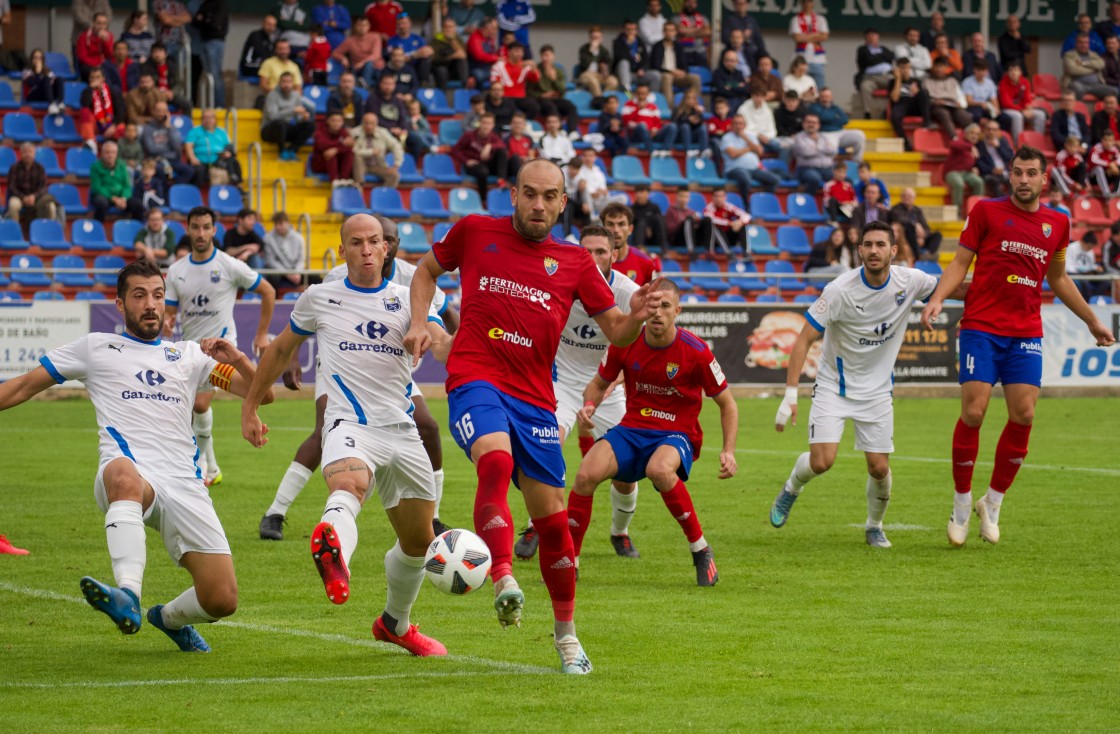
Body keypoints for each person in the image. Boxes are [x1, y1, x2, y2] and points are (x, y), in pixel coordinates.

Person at [403, 158, 663, 674]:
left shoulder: (575, 262)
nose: (538, 204)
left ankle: (566, 636)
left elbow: (614, 330)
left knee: (554, 527)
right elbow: (426, 271)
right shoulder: (476, 231)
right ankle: (502, 575)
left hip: (536, 397)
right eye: (529, 194)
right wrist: (419, 321)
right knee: (494, 462)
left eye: (549, 196)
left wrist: (633, 319)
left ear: (564, 203)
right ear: (513, 195)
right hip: (476, 374)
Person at [0, 259, 274, 651]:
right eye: (140, 295)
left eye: (158, 296)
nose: (150, 304)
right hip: (127, 472)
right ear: (120, 303)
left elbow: (263, 394)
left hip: (183, 482)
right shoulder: (96, 347)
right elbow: (23, 387)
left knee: (221, 599)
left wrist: (240, 359)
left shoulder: (188, 356)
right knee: (124, 476)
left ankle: (167, 619)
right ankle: (127, 594)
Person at [243, 213, 452, 657]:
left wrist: (442, 338)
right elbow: (282, 349)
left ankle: (395, 623)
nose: (367, 250)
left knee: (417, 542)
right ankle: (335, 556)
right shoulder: (320, 297)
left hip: (401, 427)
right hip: (349, 423)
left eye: (374, 241)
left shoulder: (406, 297)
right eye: (356, 243)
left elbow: (438, 335)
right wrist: (250, 404)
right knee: (348, 483)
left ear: (386, 247)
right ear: (343, 251)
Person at [920, 146, 1115, 547]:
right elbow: (960, 263)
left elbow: (1058, 278)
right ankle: (960, 503)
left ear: (1045, 179)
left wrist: (1093, 320)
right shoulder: (985, 211)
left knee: (1024, 414)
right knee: (973, 412)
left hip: (1025, 330)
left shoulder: (1058, 222)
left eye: (1031, 173)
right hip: (980, 326)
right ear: (1009, 175)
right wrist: (939, 296)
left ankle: (991, 503)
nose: (1024, 179)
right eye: (1017, 172)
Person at [772, 220, 943, 548]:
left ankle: (874, 526)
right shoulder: (839, 290)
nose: (874, 251)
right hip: (834, 386)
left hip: (877, 392)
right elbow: (803, 340)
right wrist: (790, 395)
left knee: (879, 468)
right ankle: (791, 489)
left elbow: (946, 287)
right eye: (868, 245)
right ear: (860, 250)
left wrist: (973, 301)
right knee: (822, 461)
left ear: (893, 250)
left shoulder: (911, 281)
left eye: (881, 245)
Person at [571, 276, 735, 583]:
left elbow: (728, 405)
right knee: (585, 475)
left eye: (665, 306)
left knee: (659, 469)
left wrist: (728, 450)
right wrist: (590, 406)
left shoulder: (696, 351)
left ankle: (700, 550)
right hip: (633, 429)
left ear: (677, 311)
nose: (657, 312)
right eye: (652, 305)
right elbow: (597, 384)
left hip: (676, 434)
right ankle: (570, 563)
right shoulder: (626, 342)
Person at [514, 225, 643, 561]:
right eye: (587, 251)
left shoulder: (629, 293)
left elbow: (639, 349)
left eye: (602, 251)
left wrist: (610, 385)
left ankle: (620, 532)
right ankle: (535, 525)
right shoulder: (561, 281)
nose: (594, 258)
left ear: (614, 255)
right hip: (563, 384)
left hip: (609, 388)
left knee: (626, 473)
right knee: (547, 445)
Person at [164, 206, 276, 488]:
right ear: (187, 230)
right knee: (191, 409)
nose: (200, 233)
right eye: (195, 227)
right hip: (190, 351)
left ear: (214, 230)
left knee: (199, 403)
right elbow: (170, 313)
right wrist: (166, 323)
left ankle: (201, 466)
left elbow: (268, 291)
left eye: (206, 227)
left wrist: (262, 334)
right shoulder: (176, 271)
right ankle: (208, 466)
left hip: (223, 350)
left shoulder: (228, 265)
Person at [720, 113, 778, 206]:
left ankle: (764, 204)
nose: (739, 126)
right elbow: (733, 154)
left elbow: (760, 151)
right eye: (736, 123)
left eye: (741, 124)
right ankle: (746, 205)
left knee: (774, 179)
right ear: (731, 125)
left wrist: (745, 138)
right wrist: (749, 149)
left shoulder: (750, 136)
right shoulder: (727, 137)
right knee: (745, 178)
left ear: (745, 125)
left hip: (754, 169)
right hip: (735, 169)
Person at [451, 112, 509, 200]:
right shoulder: (469, 135)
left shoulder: (494, 137)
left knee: (501, 152)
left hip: (487, 164)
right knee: (483, 172)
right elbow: (455, 150)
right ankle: (483, 199)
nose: (486, 126)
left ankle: (501, 180)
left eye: (489, 123)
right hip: (474, 164)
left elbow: (503, 146)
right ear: (479, 123)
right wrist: (466, 160)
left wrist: (490, 146)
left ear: (492, 125)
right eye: (484, 123)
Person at [262, 72, 316, 161]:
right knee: (280, 124)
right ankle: (282, 151)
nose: (286, 85)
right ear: (279, 83)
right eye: (284, 82)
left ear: (293, 83)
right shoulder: (272, 95)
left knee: (310, 125)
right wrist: (292, 110)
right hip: (270, 130)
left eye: (289, 82)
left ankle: (292, 151)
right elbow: (272, 117)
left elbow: (297, 119)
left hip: (286, 129)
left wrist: (303, 118)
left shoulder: (296, 96)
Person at [602, 202, 658, 285]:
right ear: (603, 229)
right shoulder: (593, 263)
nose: (616, 230)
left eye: (621, 224)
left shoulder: (645, 263)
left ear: (630, 229)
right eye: (610, 224)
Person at [6, 142, 57, 229]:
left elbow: (43, 187)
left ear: (34, 153)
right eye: (25, 152)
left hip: (36, 198)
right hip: (19, 197)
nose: (28, 154)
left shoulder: (40, 168)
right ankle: (15, 232)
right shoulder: (14, 168)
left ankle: (48, 231)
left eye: (30, 152)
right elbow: (12, 187)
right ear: (21, 153)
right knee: (13, 205)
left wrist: (34, 197)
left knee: (51, 206)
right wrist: (23, 197)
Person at [90, 140, 144, 222]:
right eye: (107, 152)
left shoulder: (122, 165)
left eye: (113, 152)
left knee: (138, 205)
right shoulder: (95, 167)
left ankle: (135, 228)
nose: (110, 155)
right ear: (102, 153)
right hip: (104, 196)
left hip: (121, 197)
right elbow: (97, 187)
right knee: (101, 203)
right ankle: (98, 228)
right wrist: (114, 199)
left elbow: (127, 186)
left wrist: (123, 198)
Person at [184, 108, 239, 187]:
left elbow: (228, 146)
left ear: (215, 120)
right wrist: (192, 158)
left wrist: (227, 153)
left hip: (218, 160)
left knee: (234, 163)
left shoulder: (222, 132)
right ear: (202, 120)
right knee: (198, 170)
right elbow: (188, 145)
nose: (208, 120)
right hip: (201, 161)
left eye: (211, 117)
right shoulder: (195, 131)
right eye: (206, 118)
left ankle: (237, 187)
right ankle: (197, 193)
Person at [650, 21, 702, 102]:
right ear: (663, 32)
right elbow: (655, 66)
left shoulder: (678, 46)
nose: (668, 33)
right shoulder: (657, 46)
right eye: (666, 30)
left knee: (696, 78)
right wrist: (671, 72)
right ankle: (670, 108)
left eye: (671, 30)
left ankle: (694, 105)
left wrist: (683, 72)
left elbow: (684, 63)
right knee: (668, 77)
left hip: (678, 76)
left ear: (675, 32)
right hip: (663, 75)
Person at [622, 81, 679, 153]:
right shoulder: (629, 104)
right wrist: (638, 110)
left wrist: (655, 129)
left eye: (643, 94)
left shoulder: (653, 106)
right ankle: (651, 151)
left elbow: (658, 123)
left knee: (672, 126)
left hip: (652, 134)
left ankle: (665, 151)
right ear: (635, 93)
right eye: (639, 93)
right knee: (642, 125)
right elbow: (626, 121)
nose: (641, 96)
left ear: (647, 94)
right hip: (637, 134)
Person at [810, 87, 866, 158]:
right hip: (826, 133)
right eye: (823, 97)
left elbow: (845, 120)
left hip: (840, 132)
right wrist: (835, 116)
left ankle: (856, 162)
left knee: (860, 135)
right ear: (819, 97)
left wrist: (830, 118)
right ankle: (831, 167)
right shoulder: (814, 107)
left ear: (831, 97)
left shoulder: (835, 107)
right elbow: (824, 117)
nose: (825, 99)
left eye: (827, 97)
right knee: (832, 148)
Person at [572, 149, 626, 222]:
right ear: (582, 157)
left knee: (623, 198)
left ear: (595, 157)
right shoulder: (579, 170)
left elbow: (603, 187)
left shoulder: (598, 171)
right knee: (585, 189)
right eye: (585, 156)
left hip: (600, 200)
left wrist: (603, 191)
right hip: (587, 201)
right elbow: (579, 188)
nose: (588, 158)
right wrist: (592, 193)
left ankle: (612, 217)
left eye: (590, 156)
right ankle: (592, 216)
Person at [191, 0, 228, 107]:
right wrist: (206, 20)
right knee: (208, 76)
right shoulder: (204, 4)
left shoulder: (221, 4)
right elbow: (195, 23)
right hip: (204, 42)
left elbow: (216, 23)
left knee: (215, 75)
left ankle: (219, 105)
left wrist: (204, 19)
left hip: (215, 42)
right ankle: (210, 104)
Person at [997, 62, 1045, 144]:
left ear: (1020, 72)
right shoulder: (1003, 83)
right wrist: (1022, 110)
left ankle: (1038, 142)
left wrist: (1028, 107)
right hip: (1008, 110)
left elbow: (1027, 98)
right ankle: (1018, 143)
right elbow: (1006, 103)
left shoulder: (1025, 82)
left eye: (1016, 70)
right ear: (1007, 73)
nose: (1014, 73)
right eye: (1011, 71)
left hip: (1022, 109)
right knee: (1017, 116)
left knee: (1040, 114)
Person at [79, 67, 127, 149]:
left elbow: (121, 110)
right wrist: (91, 89)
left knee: (121, 128)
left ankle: (116, 152)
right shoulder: (86, 91)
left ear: (103, 78)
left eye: (98, 77)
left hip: (111, 124)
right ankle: (91, 143)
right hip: (95, 125)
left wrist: (114, 125)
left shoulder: (113, 91)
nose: (95, 80)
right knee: (85, 112)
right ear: (89, 79)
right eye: (92, 77)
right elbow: (85, 105)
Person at [491, 42, 540, 120]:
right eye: (517, 51)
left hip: (520, 97)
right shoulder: (498, 66)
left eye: (521, 51)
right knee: (510, 107)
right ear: (509, 52)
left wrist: (534, 68)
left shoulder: (525, 66)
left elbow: (536, 79)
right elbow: (494, 83)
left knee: (534, 106)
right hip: (505, 97)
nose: (520, 54)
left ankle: (525, 125)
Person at [351, 111, 402, 186]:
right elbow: (353, 151)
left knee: (395, 175)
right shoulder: (354, 133)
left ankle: (383, 195)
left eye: (371, 123)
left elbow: (396, 146)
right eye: (366, 123)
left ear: (376, 124)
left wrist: (396, 165)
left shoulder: (383, 132)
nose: (369, 126)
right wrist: (370, 152)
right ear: (362, 123)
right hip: (360, 166)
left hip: (378, 165)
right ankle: (359, 187)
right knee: (357, 157)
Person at [923, 57, 970, 139]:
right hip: (936, 106)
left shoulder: (952, 80)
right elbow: (924, 100)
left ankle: (972, 139)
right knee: (944, 114)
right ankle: (955, 138)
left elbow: (960, 97)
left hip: (952, 105)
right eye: (936, 66)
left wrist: (960, 104)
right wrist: (934, 101)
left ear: (946, 68)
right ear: (933, 67)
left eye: (941, 66)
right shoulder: (927, 81)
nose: (938, 69)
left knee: (965, 116)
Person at [330, 16, 383, 89]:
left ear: (369, 26)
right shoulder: (350, 40)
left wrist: (362, 63)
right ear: (355, 27)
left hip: (376, 69)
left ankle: (364, 88)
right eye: (359, 25)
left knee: (369, 64)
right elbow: (335, 53)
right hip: (357, 70)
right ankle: (358, 87)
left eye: (364, 25)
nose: (362, 28)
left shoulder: (375, 37)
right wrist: (342, 58)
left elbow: (376, 55)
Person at [889, 187, 941, 258]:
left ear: (914, 198)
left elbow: (926, 227)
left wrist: (923, 237)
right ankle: (918, 255)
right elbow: (901, 220)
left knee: (937, 235)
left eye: (909, 196)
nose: (907, 198)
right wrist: (915, 224)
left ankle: (927, 254)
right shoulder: (895, 209)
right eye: (905, 196)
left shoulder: (917, 210)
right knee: (910, 228)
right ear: (901, 197)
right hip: (906, 238)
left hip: (920, 239)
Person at [791, 113, 836, 196]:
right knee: (814, 179)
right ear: (803, 124)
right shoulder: (799, 137)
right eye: (808, 122)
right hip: (807, 169)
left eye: (814, 122)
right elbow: (806, 152)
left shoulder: (823, 137)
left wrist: (815, 148)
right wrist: (823, 149)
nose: (811, 125)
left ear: (818, 125)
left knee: (843, 178)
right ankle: (809, 201)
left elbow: (832, 150)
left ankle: (834, 204)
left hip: (827, 169)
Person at [943, 124, 985, 212]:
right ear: (965, 134)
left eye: (977, 134)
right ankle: (957, 212)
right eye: (972, 133)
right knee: (959, 183)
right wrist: (970, 147)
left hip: (966, 173)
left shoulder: (975, 147)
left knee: (979, 182)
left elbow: (967, 162)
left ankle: (976, 211)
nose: (974, 136)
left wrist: (973, 168)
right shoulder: (961, 142)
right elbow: (952, 144)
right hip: (952, 172)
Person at [788, 0, 827, 91]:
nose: (807, 4)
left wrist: (805, 36)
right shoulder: (796, 19)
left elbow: (825, 36)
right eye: (805, 2)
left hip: (818, 59)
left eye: (810, 1)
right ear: (801, 4)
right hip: (801, 57)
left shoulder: (820, 19)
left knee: (819, 88)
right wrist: (816, 35)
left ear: (813, 3)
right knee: (799, 85)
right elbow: (797, 38)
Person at [386, 12, 433, 87]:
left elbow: (427, 52)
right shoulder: (392, 41)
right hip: (401, 69)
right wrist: (415, 55)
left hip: (417, 68)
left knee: (426, 60)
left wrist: (428, 51)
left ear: (410, 24)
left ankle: (423, 84)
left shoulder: (418, 38)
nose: (402, 26)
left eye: (404, 23)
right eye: (399, 24)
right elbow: (395, 59)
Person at [856, 28, 894, 118]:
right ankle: (868, 113)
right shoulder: (862, 49)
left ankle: (894, 111)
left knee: (900, 84)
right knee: (865, 86)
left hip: (887, 76)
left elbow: (891, 57)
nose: (871, 37)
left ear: (878, 36)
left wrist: (875, 57)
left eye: (873, 35)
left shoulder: (883, 48)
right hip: (871, 78)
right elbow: (868, 60)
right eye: (869, 36)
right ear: (865, 38)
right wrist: (882, 58)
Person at [613, 19, 659, 94]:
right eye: (628, 29)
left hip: (637, 74)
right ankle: (627, 92)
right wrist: (628, 45)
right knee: (624, 63)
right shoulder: (618, 42)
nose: (631, 32)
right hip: (624, 74)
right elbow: (619, 58)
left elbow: (646, 60)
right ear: (624, 30)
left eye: (633, 29)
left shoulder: (640, 42)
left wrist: (642, 69)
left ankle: (651, 99)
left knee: (655, 76)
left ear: (637, 31)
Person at [311, 110, 355, 185]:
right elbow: (321, 145)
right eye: (333, 120)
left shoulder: (343, 131)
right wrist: (340, 143)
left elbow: (349, 146)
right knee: (329, 153)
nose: (336, 123)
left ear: (342, 122)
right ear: (328, 121)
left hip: (338, 164)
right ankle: (334, 181)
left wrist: (336, 150)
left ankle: (344, 180)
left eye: (339, 121)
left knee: (349, 152)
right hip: (321, 163)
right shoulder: (320, 131)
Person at [262, 211, 305, 289]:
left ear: (287, 223)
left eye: (280, 224)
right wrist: (287, 274)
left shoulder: (299, 238)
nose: (278, 227)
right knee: (272, 278)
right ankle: (274, 300)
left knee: (316, 279)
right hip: (279, 271)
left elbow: (301, 260)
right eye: (276, 224)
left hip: (295, 271)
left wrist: (297, 272)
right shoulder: (268, 238)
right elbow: (271, 261)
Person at [1062, 33, 1113, 99]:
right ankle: (1079, 109)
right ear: (1076, 43)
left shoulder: (1093, 54)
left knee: (1114, 91)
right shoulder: (1069, 55)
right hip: (1076, 83)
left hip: (1096, 85)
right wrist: (1093, 70)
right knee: (1077, 89)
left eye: (1086, 43)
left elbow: (1101, 64)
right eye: (1081, 42)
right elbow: (1072, 70)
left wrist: (1084, 63)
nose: (1084, 45)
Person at [577, 26, 619, 98]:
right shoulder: (584, 49)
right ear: (590, 38)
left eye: (598, 38)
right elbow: (584, 64)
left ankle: (605, 100)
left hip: (600, 75)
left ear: (601, 39)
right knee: (593, 81)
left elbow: (608, 64)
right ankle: (599, 100)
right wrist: (592, 51)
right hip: (586, 74)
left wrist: (605, 70)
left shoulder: (604, 51)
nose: (596, 40)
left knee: (613, 81)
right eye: (594, 38)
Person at [977, 119, 1016, 196]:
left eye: (994, 130)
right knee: (994, 181)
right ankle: (1001, 204)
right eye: (989, 129)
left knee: (1015, 181)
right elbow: (979, 162)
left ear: (998, 131)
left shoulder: (1002, 141)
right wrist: (992, 170)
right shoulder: (980, 144)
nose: (991, 132)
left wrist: (998, 147)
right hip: (989, 173)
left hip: (1004, 171)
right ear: (984, 130)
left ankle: (1011, 204)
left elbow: (1010, 157)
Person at [22, 49, 66, 115]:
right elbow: (31, 83)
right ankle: (51, 105)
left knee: (59, 79)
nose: (38, 60)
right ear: (31, 59)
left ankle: (60, 103)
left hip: (45, 94)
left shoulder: (48, 71)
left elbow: (53, 82)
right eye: (36, 58)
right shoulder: (27, 71)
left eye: (40, 58)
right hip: (33, 96)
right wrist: (38, 72)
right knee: (46, 79)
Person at [1066, 232, 1108, 300]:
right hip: (1074, 274)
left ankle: (1093, 299)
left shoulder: (1090, 251)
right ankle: (1087, 302)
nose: (1089, 248)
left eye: (1091, 247)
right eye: (1089, 246)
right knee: (1084, 282)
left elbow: (1090, 265)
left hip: (1087, 274)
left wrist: (1095, 267)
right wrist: (1081, 271)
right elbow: (1067, 266)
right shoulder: (1071, 248)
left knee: (1105, 281)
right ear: (1083, 242)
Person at [431, 16, 469, 89]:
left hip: (455, 70)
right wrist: (451, 56)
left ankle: (465, 88)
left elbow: (463, 55)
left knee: (462, 61)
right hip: (441, 68)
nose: (448, 29)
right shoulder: (437, 40)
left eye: (451, 27)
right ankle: (442, 95)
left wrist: (452, 41)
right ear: (442, 28)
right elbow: (434, 59)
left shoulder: (459, 40)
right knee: (441, 70)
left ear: (455, 28)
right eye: (446, 27)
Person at [664, 187, 706, 253]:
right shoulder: (670, 210)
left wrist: (696, 224)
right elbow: (669, 229)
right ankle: (691, 250)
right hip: (677, 239)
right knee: (688, 220)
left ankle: (709, 249)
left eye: (686, 197)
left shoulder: (691, 212)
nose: (683, 199)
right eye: (681, 196)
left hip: (692, 238)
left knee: (706, 220)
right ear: (676, 197)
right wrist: (683, 222)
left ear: (689, 198)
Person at [76, 12, 114, 82]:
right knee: (95, 73)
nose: (101, 26)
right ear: (93, 23)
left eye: (104, 24)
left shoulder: (109, 36)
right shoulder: (84, 36)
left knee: (113, 70)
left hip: (103, 65)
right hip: (88, 66)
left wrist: (104, 42)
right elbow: (82, 57)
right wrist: (95, 66)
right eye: (99, 23)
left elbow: (109, 55)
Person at [239, 15, 278, 81]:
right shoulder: (255, 35)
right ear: (263, 24)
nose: (271, 28)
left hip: (262, 66)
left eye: (273, 25)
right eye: (269, 24)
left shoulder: (270, 39)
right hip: (249, 66)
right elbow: (263, 55)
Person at [961, 59, 1000, 124]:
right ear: (974, 70)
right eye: (979, 70)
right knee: (977, 115)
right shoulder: (967, 82)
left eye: (984, 70)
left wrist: (997, 109)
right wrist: (981, 104)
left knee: (1005, 118)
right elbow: (968, 101)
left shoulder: (990, 83)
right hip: (973, 107)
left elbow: (994, 100)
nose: (981, 73)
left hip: (986, 107)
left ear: (987, 71)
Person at [631, 184, 668, 252]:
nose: (639, 195)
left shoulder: (654, 207)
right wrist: (646, 227)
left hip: (654, 236)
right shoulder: (632, 209)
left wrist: (649, 227)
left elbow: (660, 223)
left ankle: (664, 248)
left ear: (647, 194)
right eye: (637, 192)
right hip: (640, 237)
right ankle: (639, 250)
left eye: (642, 192)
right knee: (641, 223)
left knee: (658, 218)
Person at [711, 48, 749, 112]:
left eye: (732, 61)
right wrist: (737, 86)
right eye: (727, 60)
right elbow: (721, 90)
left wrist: (729, 86)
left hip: (739, 100)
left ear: (737, 62)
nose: (729, 63)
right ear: (723, 61)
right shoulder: (717, 73)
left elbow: (745, 89)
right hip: (723, 101)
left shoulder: (739, 73)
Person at [466, 17, 501, 88]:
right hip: (476, 68)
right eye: (492, 29)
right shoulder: (475, 38)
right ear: (485, 28)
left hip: (487, 67)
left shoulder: (489, 39)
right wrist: (496, 58)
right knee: (480, 76)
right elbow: (479, 56)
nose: (493, 31)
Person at [822, 161, 857, 225]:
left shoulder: (848, 185)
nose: (841, 174)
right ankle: (834, 222)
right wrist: (840, 203)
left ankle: (855, 228)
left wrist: (848, 203)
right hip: (836, 208)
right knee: (832, 200)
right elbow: (826, 201)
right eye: (839, 172)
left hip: (847, 207)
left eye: (843, 172)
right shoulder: (828, 185)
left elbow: (854, 200)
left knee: (858, 209)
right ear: (834, 171)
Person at [1089, 129, 1120, 198]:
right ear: (1101, 140)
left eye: (1111, 140)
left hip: (1107, 175)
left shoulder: (1114, 149)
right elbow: (1094, 160)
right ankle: (1107, 194)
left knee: (1117, 169)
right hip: (1093, 177)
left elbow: (1119, 159)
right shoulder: (1097, 148)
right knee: (1099, 169)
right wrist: (1109, 165)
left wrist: (1113, 165)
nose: (1108, 143)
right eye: (1106, 140)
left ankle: (1117, 193)